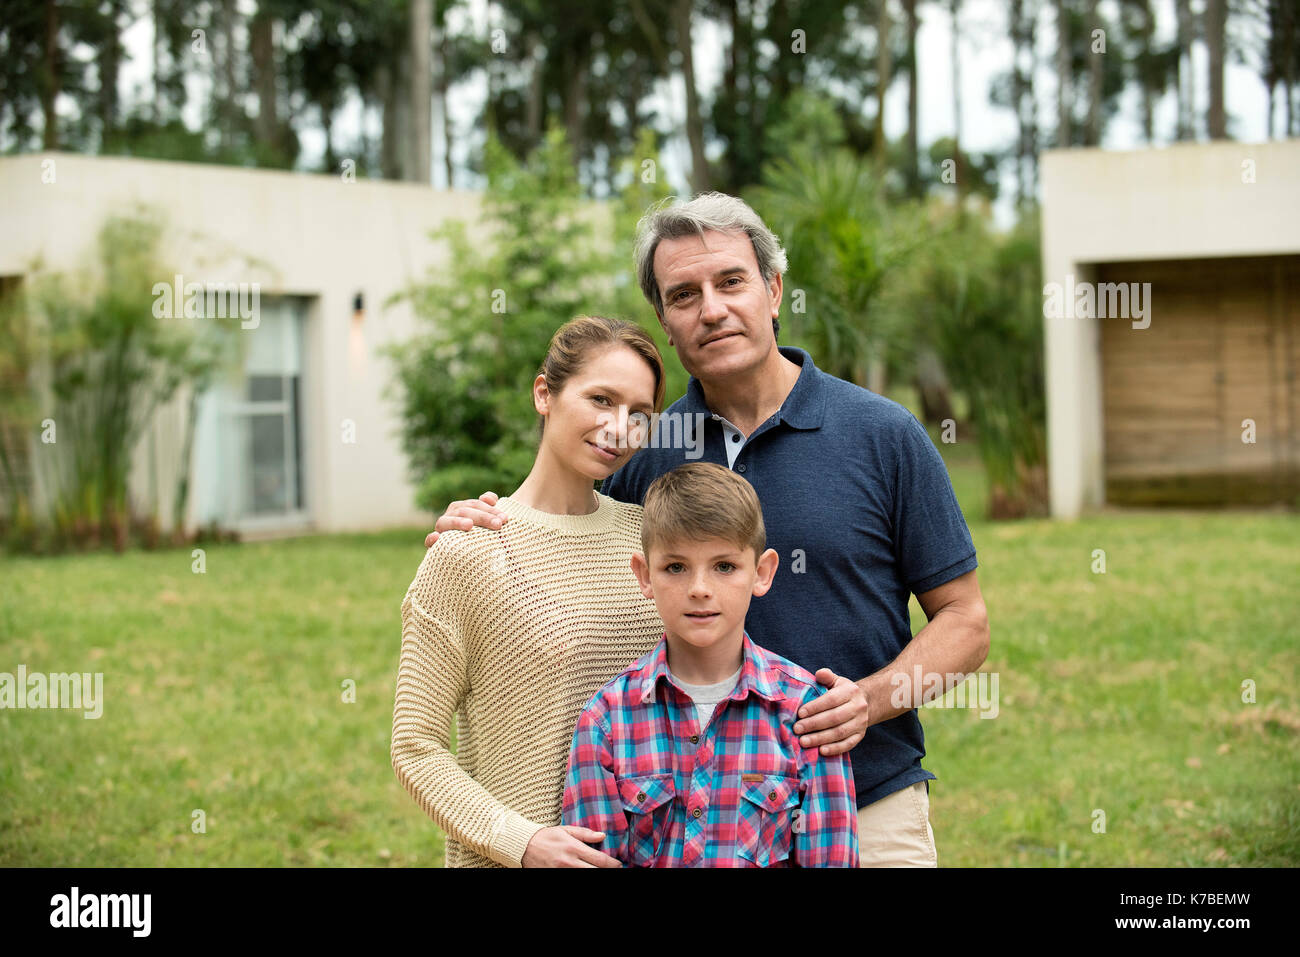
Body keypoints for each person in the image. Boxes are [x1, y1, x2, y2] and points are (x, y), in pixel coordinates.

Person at [425, 193, 991, 867]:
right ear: (665, 320)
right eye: (684, 294)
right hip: (693, 829)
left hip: (866, 807)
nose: (712, 308)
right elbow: (571, 528)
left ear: (774, 289)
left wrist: (867, 702)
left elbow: (967, 621)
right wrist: (485, 522)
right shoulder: (646, 450)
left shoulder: (883, 434)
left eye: (731, 281)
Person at [390, 315, 669, 868]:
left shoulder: (652, 540)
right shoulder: (467, 549)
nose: (618, 428)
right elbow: (415, 747)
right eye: (600, 400)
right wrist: (521, 841)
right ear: (545, 393)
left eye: (638, 415)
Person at [560, 462, 859, 867]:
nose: (699, 589)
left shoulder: (806, 714)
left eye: (724, 566)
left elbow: (831, 857)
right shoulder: (606, 721)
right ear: (645, 576)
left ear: (762, 572)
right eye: (676, 567)